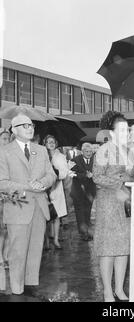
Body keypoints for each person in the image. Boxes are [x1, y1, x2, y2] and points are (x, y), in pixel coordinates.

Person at [0, 114, 56, 297]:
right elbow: (2, 182)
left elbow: (52, 175)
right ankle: (17, 289)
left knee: (35, 248)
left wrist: (44, 183)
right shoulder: (4, 151)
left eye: (31, 125)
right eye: (24, 126)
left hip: (39, 207)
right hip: (18, 208)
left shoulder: (40, 150)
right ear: (14, 130)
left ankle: (31, 286)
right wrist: (28, 186)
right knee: (17, 251)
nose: (30, 128)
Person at [92, 111, 134, 302]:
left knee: (123, 248)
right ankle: (107, 290)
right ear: (111, 133)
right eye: (121, 130)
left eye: (127, 129)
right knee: (108, 249)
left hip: (126, 204)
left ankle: (119, 289)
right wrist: (120, 181)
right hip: (109, 204)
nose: (126, 133)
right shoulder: (104, 150)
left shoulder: (129, 151)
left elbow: (133, 174)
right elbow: (97, 177)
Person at [44, 134, 71, 250]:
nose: (51, 143)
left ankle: (55, 240)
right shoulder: (41, 154)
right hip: (44, 188)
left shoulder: (60, 156)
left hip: (56, 188)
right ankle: (46, 241)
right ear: (44, 143)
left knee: (56, 215)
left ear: (56, 144)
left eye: (53, 141)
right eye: (48, 141)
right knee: (45, 216)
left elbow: (65, 172)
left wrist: (55, 171)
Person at [70, 143, 96, 241]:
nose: (89, 153)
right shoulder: (75, 160)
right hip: (78, 190)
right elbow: (71, 173)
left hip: (90, 191)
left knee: (88, 211)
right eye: (86, 151)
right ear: (82, 151)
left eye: (90, 151)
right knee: (80, 211)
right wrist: (85, 174)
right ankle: (83, 233)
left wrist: (93, 175)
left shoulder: (95, 160)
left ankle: (88, 231)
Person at [0, 129, 11, 273]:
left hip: (11, 195)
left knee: (9, 228)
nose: (6, 141)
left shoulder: (11, 156)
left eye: (8, 138)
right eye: (3, 138)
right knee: (1, 229)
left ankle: (7, 255)